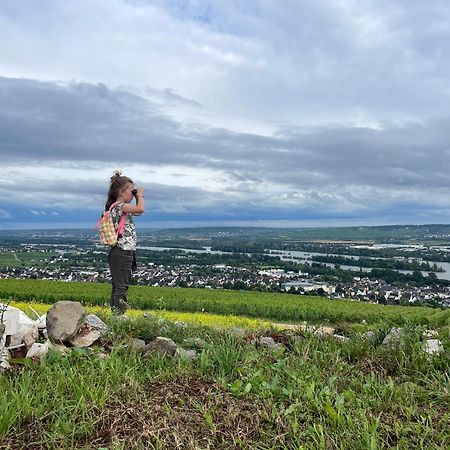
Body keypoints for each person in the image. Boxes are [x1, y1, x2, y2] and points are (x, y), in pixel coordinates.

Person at [105, 170, 145, 314]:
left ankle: (115, 316)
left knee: (118, 286)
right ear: (121, 192)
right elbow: (140, 209)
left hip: (120, 251)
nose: (132, 193)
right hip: (122, 251)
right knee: (121, 287)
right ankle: (119, 318)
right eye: (130, 190)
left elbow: (137, 212)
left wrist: (134, 196)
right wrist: (139, 195)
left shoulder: (116, 207)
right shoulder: (119, 206)